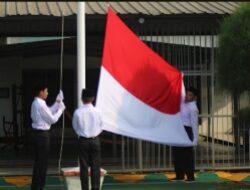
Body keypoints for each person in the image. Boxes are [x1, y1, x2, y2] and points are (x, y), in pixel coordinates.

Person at [30, 83, 65, 190]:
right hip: (42, 135)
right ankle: (39, 187)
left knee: (39, 163)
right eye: (46, 91)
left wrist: (57, 102)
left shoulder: (38, 102)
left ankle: (37, 187)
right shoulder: (40, 104)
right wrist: (60, 110)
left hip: (38, 134)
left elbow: (48, 111)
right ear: (41, 92)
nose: (47, 93)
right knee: (42, 163)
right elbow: (52, 119)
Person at [72, 89, 103, 190]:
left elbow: (75, 127)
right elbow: (102, 126)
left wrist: (82, 133)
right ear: (93, 99)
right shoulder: (98, 111)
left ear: (82, 99)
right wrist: (95, 133)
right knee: (95, 167)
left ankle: (84, 188)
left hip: (83, 140)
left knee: (84, 167)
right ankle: (95, 188)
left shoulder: (78, 112)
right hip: (95, 140)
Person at [171, 87, 199, 182]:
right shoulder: (183, 102)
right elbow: (177, 94)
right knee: (177, 154)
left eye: (190, 95)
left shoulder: (193, 108)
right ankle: (179, 176)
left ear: (194, 97)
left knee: (187, 155)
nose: (187, 96)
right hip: (179, 130)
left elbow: (194, 125)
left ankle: (190, 177)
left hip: (187, 130)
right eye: (187, 93)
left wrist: (195, 140)